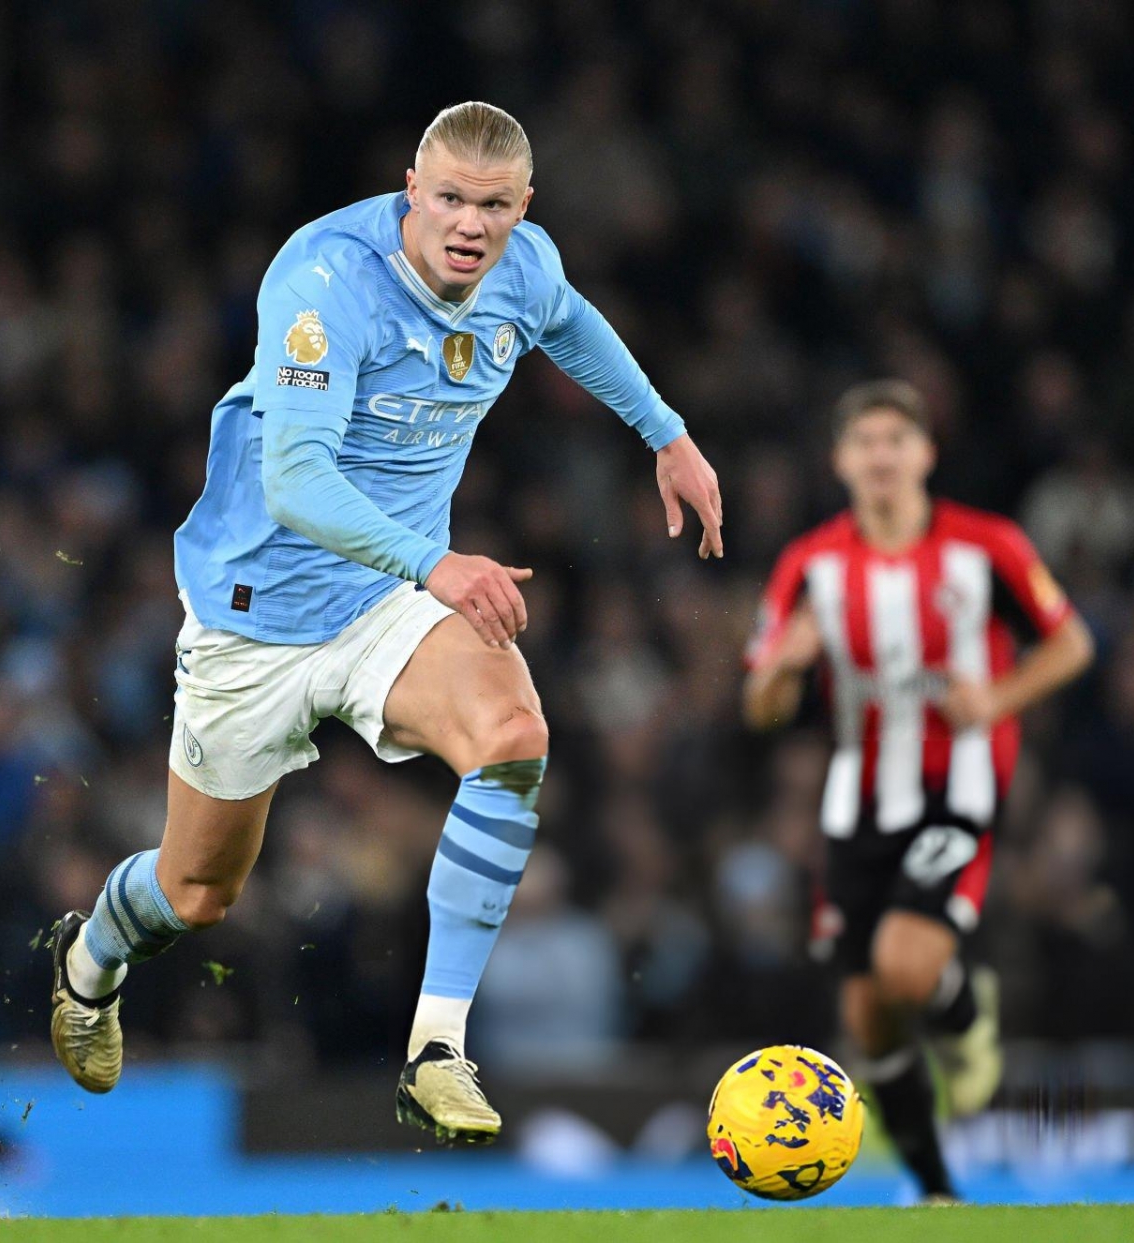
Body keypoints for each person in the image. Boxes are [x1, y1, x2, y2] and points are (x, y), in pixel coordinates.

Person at [47, 101, 723, 1144]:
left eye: (491, 206)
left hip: (383, 604)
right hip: (254, 617)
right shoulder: (324, 281)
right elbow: (298, 480)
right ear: (413, 185)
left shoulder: (524, 265)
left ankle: (437, 1047)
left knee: (513, 734)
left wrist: (666, 433)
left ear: (522, 208)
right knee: (197, 892)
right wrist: (439, 562)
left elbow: (571, 320)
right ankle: (88, 965)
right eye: (448, 197)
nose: (467, 223)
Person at [743, 379, 1094, 1202]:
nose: (881, 455)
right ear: (839, 461)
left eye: (897, 439)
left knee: (906, 967)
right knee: (870, 1019)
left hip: (958, 787)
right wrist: (782, 670)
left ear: (927, 454)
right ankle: (938, 1194)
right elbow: (761, 706)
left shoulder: (987, 546)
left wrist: (998, 699)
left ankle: (971, 1030)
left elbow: (1071, 641)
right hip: (857, 798)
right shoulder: (810, 563)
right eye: (864, 441)